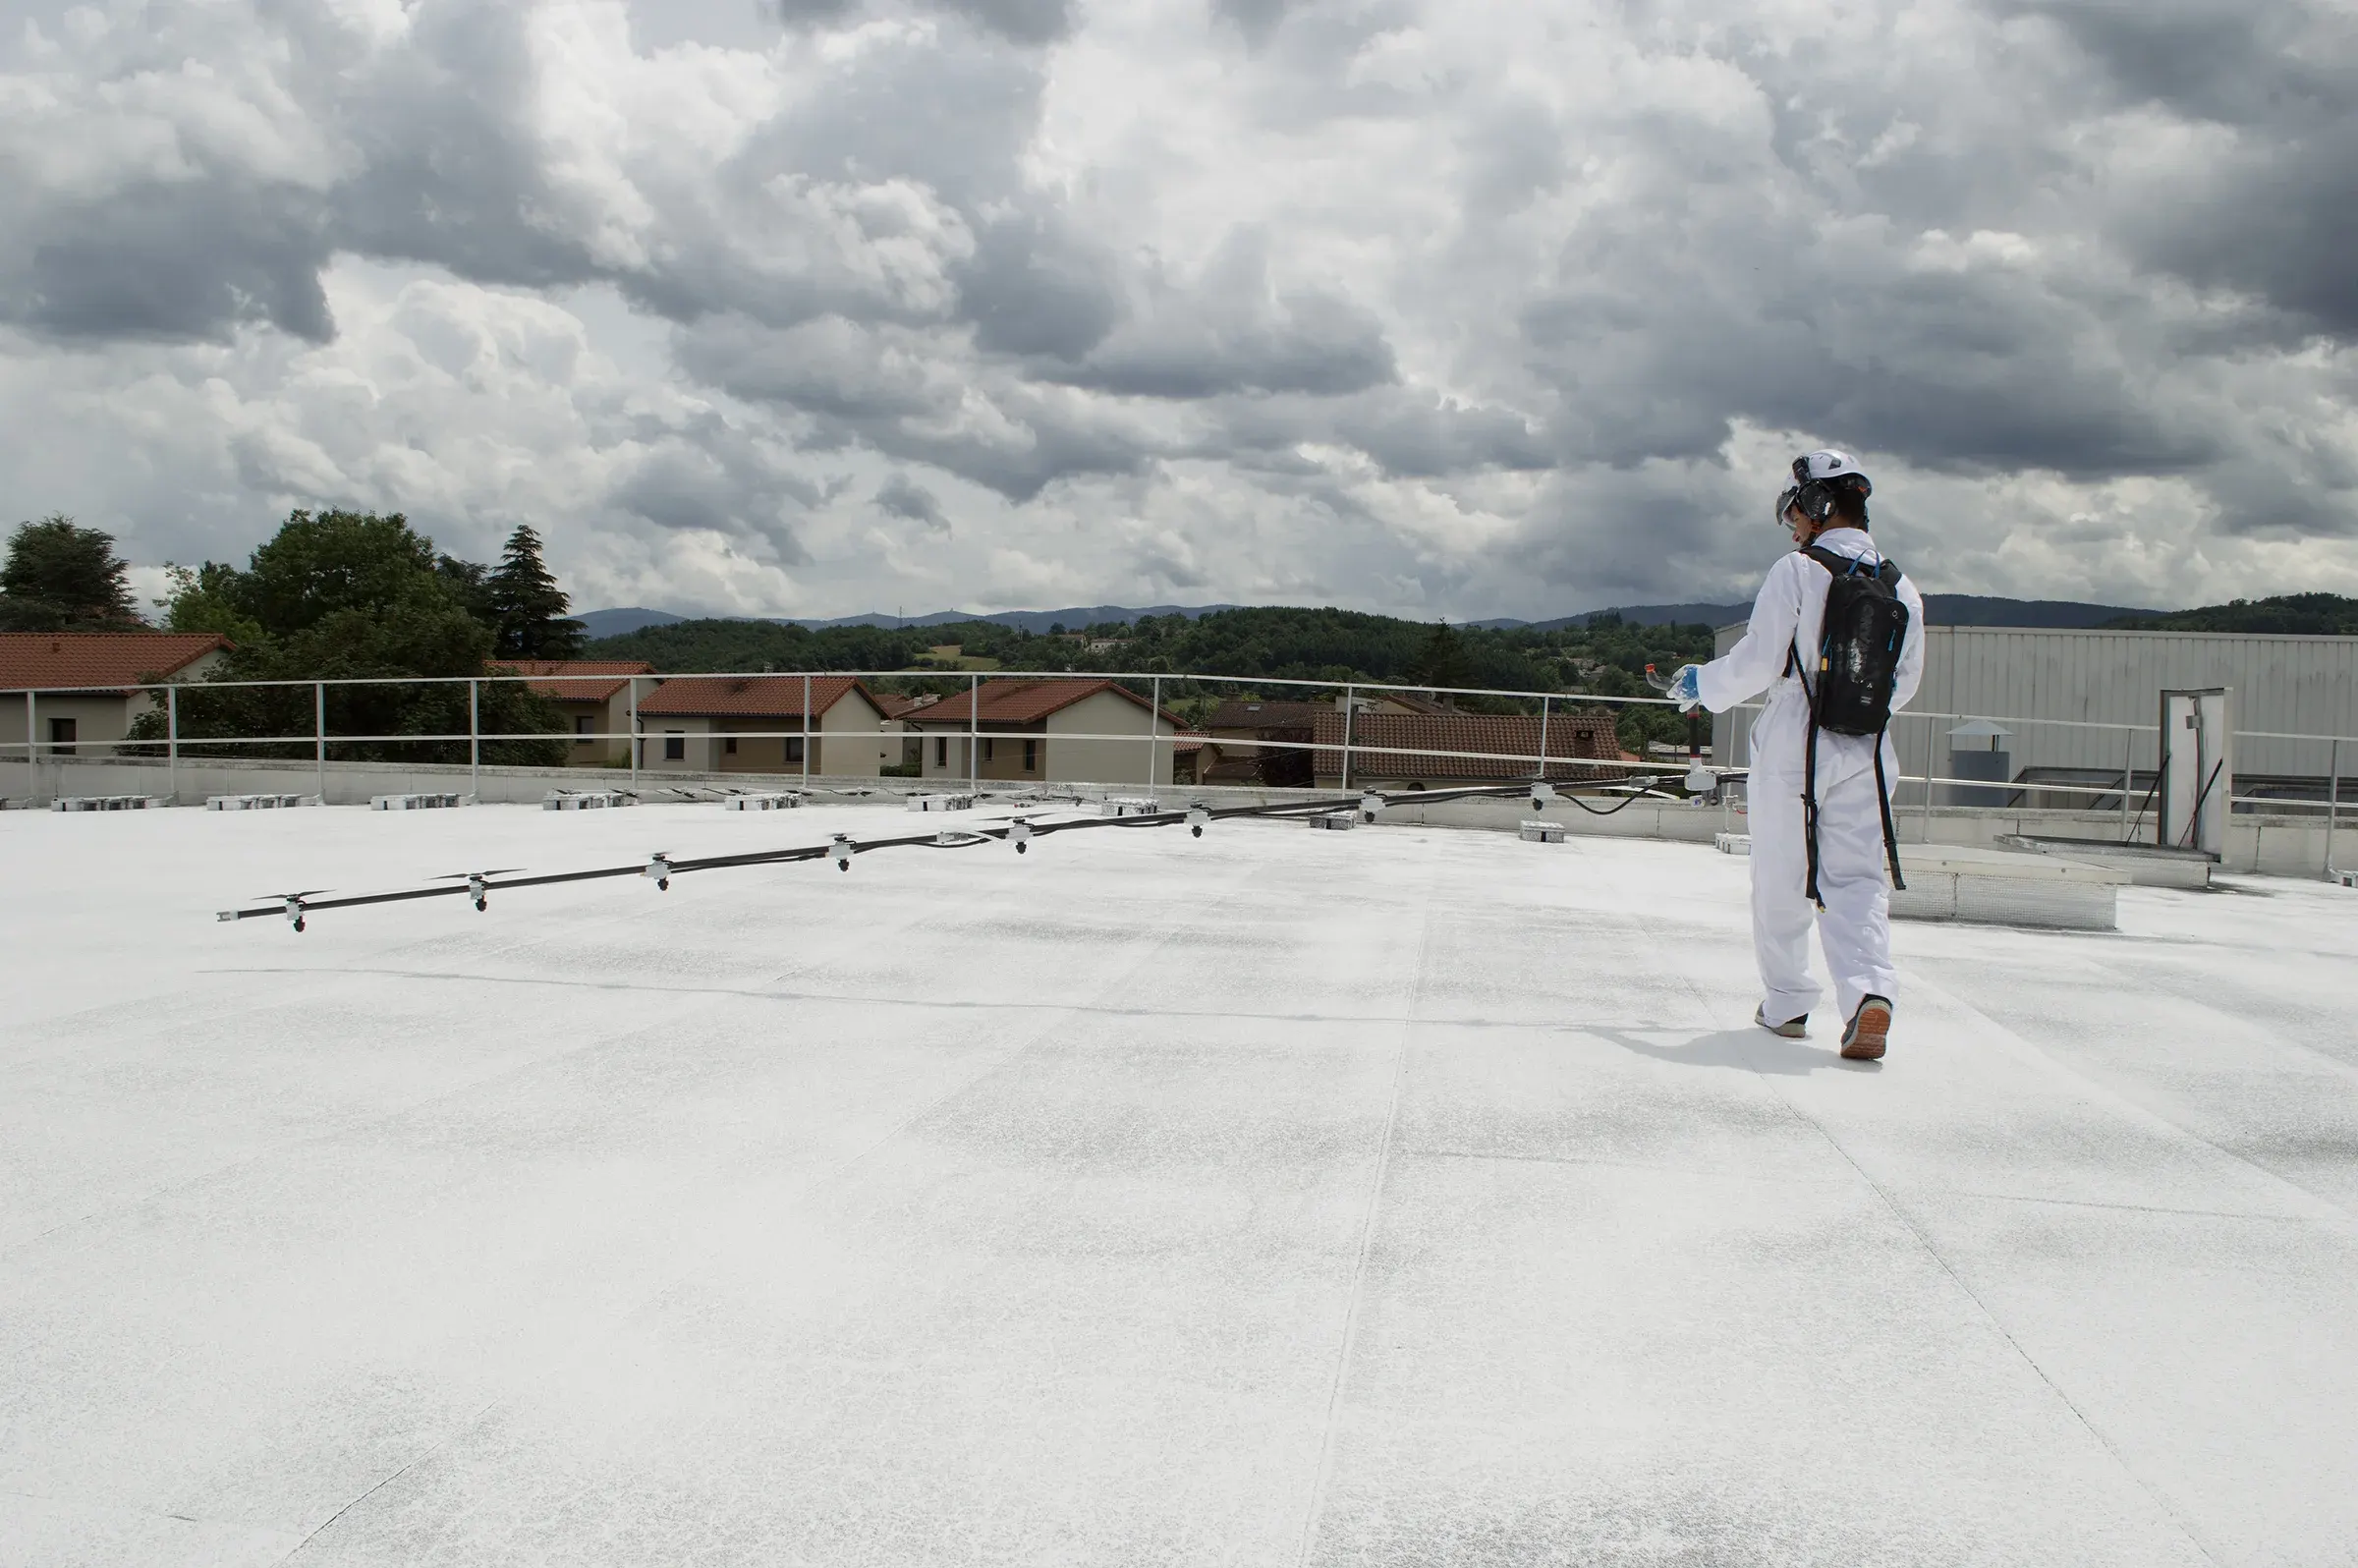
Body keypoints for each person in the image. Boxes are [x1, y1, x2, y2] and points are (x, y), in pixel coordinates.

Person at [1662, 451, 1925, 1059]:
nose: (1793, 528)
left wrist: (1705, 682)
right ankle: (1867, 995)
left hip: (1795, 742)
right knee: (1856, 879)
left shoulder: (1797, 571)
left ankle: (1787, 1002)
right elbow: (1902, 685)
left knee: (1783, 873)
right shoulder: (1902, 587)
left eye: (1795, 515)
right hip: (1868, 745)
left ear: (1816, 504)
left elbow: (1757, 661)